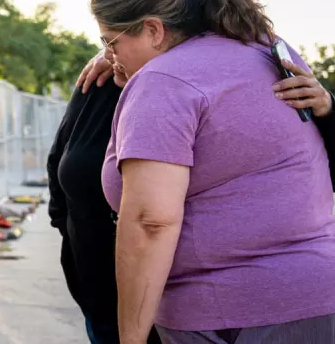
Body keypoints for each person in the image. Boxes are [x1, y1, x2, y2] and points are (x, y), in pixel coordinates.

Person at [86, 0, 335, 344]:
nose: (108, 54)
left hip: (229, 314)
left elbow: (152, 222)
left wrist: (130, 339)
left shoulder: (163, 80)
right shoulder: (267, 50)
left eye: (110, 41)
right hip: (318, 298)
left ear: (153, 29)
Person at [49, 50, 335, 344]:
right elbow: (61, 167)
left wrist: (327, 110)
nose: (110, 50)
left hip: (199, 310)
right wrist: (71, 234)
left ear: (156, 29)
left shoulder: (246, 71)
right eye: (106, 39)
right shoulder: (100, 83)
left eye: (115, 37)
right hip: (102, 297)